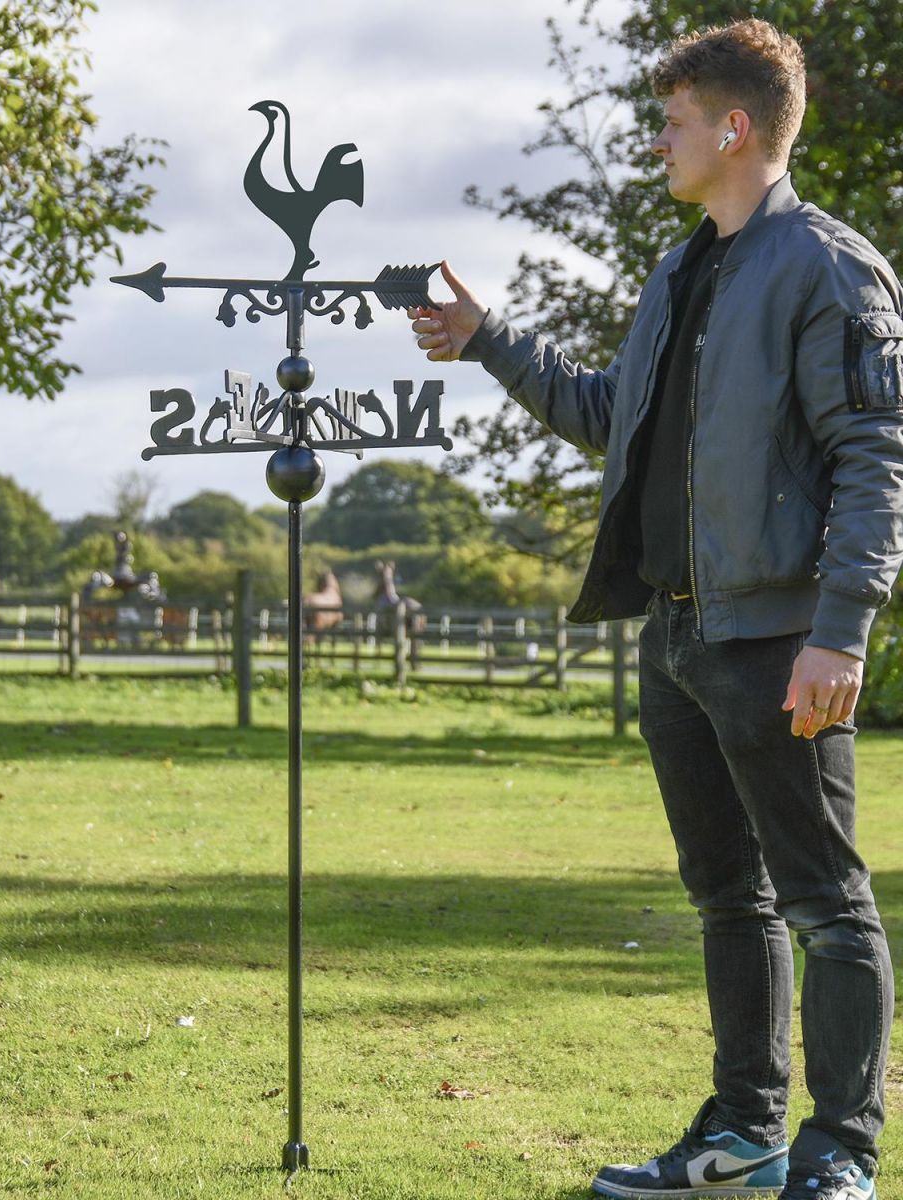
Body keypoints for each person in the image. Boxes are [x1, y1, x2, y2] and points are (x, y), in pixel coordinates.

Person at [409, 19, 902, 1200]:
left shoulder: (832, 270)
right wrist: (488, 343)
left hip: (780, 640)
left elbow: (878, 459)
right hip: (677, 637)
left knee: (826, 904)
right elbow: (608, 417)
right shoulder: (682, 271)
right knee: (728, 899)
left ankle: (841, 1151)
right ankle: (746, 1134)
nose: (657, 141)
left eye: (673, 122)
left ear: (733, 128)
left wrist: (839, 632)